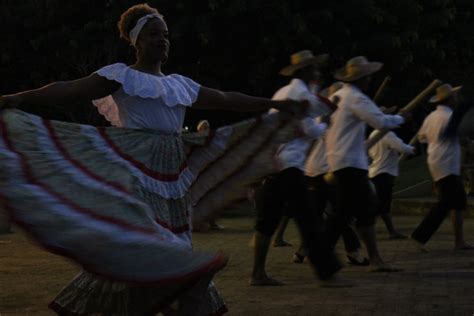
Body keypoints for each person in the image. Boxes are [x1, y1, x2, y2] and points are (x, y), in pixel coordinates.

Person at [0, 4, 306, 315]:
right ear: (136, 41)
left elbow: (227, 99)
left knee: (154, 249)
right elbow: (69, 89)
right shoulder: (122, 76)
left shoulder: (180, 84)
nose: (162, 40)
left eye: (165, 35)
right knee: (148, 245)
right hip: (135, 167)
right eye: (152, 34)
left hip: (171, 174)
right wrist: (22, 97)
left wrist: (275, 105)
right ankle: (189, 278)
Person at [251, 50, 347, 287]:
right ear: (305, 71)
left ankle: (257, 273)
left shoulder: (283, 92)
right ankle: (327, 272)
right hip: (290, 164)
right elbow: (310, 126)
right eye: (314, 69)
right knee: (308, 220)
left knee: (267, 222)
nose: (318, 73)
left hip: (275, 163)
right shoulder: (301, 93)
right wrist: (324, 122)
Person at [325, 56, 405, 272]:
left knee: (355, 212)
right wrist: (400, 118)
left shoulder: (337, 96)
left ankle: (374, 258)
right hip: (350, 163)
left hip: (342, 160)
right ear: (363, 78)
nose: (370, 79)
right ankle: (323, 256)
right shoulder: (355, 97)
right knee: (350, 213)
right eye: (368, 75)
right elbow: (379, 122)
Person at [299, 81, 369, 266]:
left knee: (331, 214)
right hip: (322, 171)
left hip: (320, 170)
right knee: (339, 214)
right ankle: (348, 252)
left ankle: (307, 249)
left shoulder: (328, 117)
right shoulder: (326, 118)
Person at [411, 83, 472, 251]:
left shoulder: (431, 117)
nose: (457, 99)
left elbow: (422, 137)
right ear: (450, 99)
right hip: (446, 163)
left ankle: (459, 241)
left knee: (458, 201)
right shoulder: (450, 116)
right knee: (445, 203)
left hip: (438, 161)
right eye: (455, 96)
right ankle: (419, 236)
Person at [368, 130, 415, 239]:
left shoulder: (373, 134)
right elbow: (401, 147)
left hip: (375, 171)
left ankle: (390, 230)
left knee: (381, 204)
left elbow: (370, 152)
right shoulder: (388, 134)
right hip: (384, 172)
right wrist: (412, 149)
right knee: (383, 204)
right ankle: (384, 230)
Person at [194, 119, 225, 232]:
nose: (208, 129)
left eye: (208, 127)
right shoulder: (197, 141)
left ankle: (212, 222)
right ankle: (200, 223)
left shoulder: (211, 141)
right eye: (205, 127)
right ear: (200, 129)